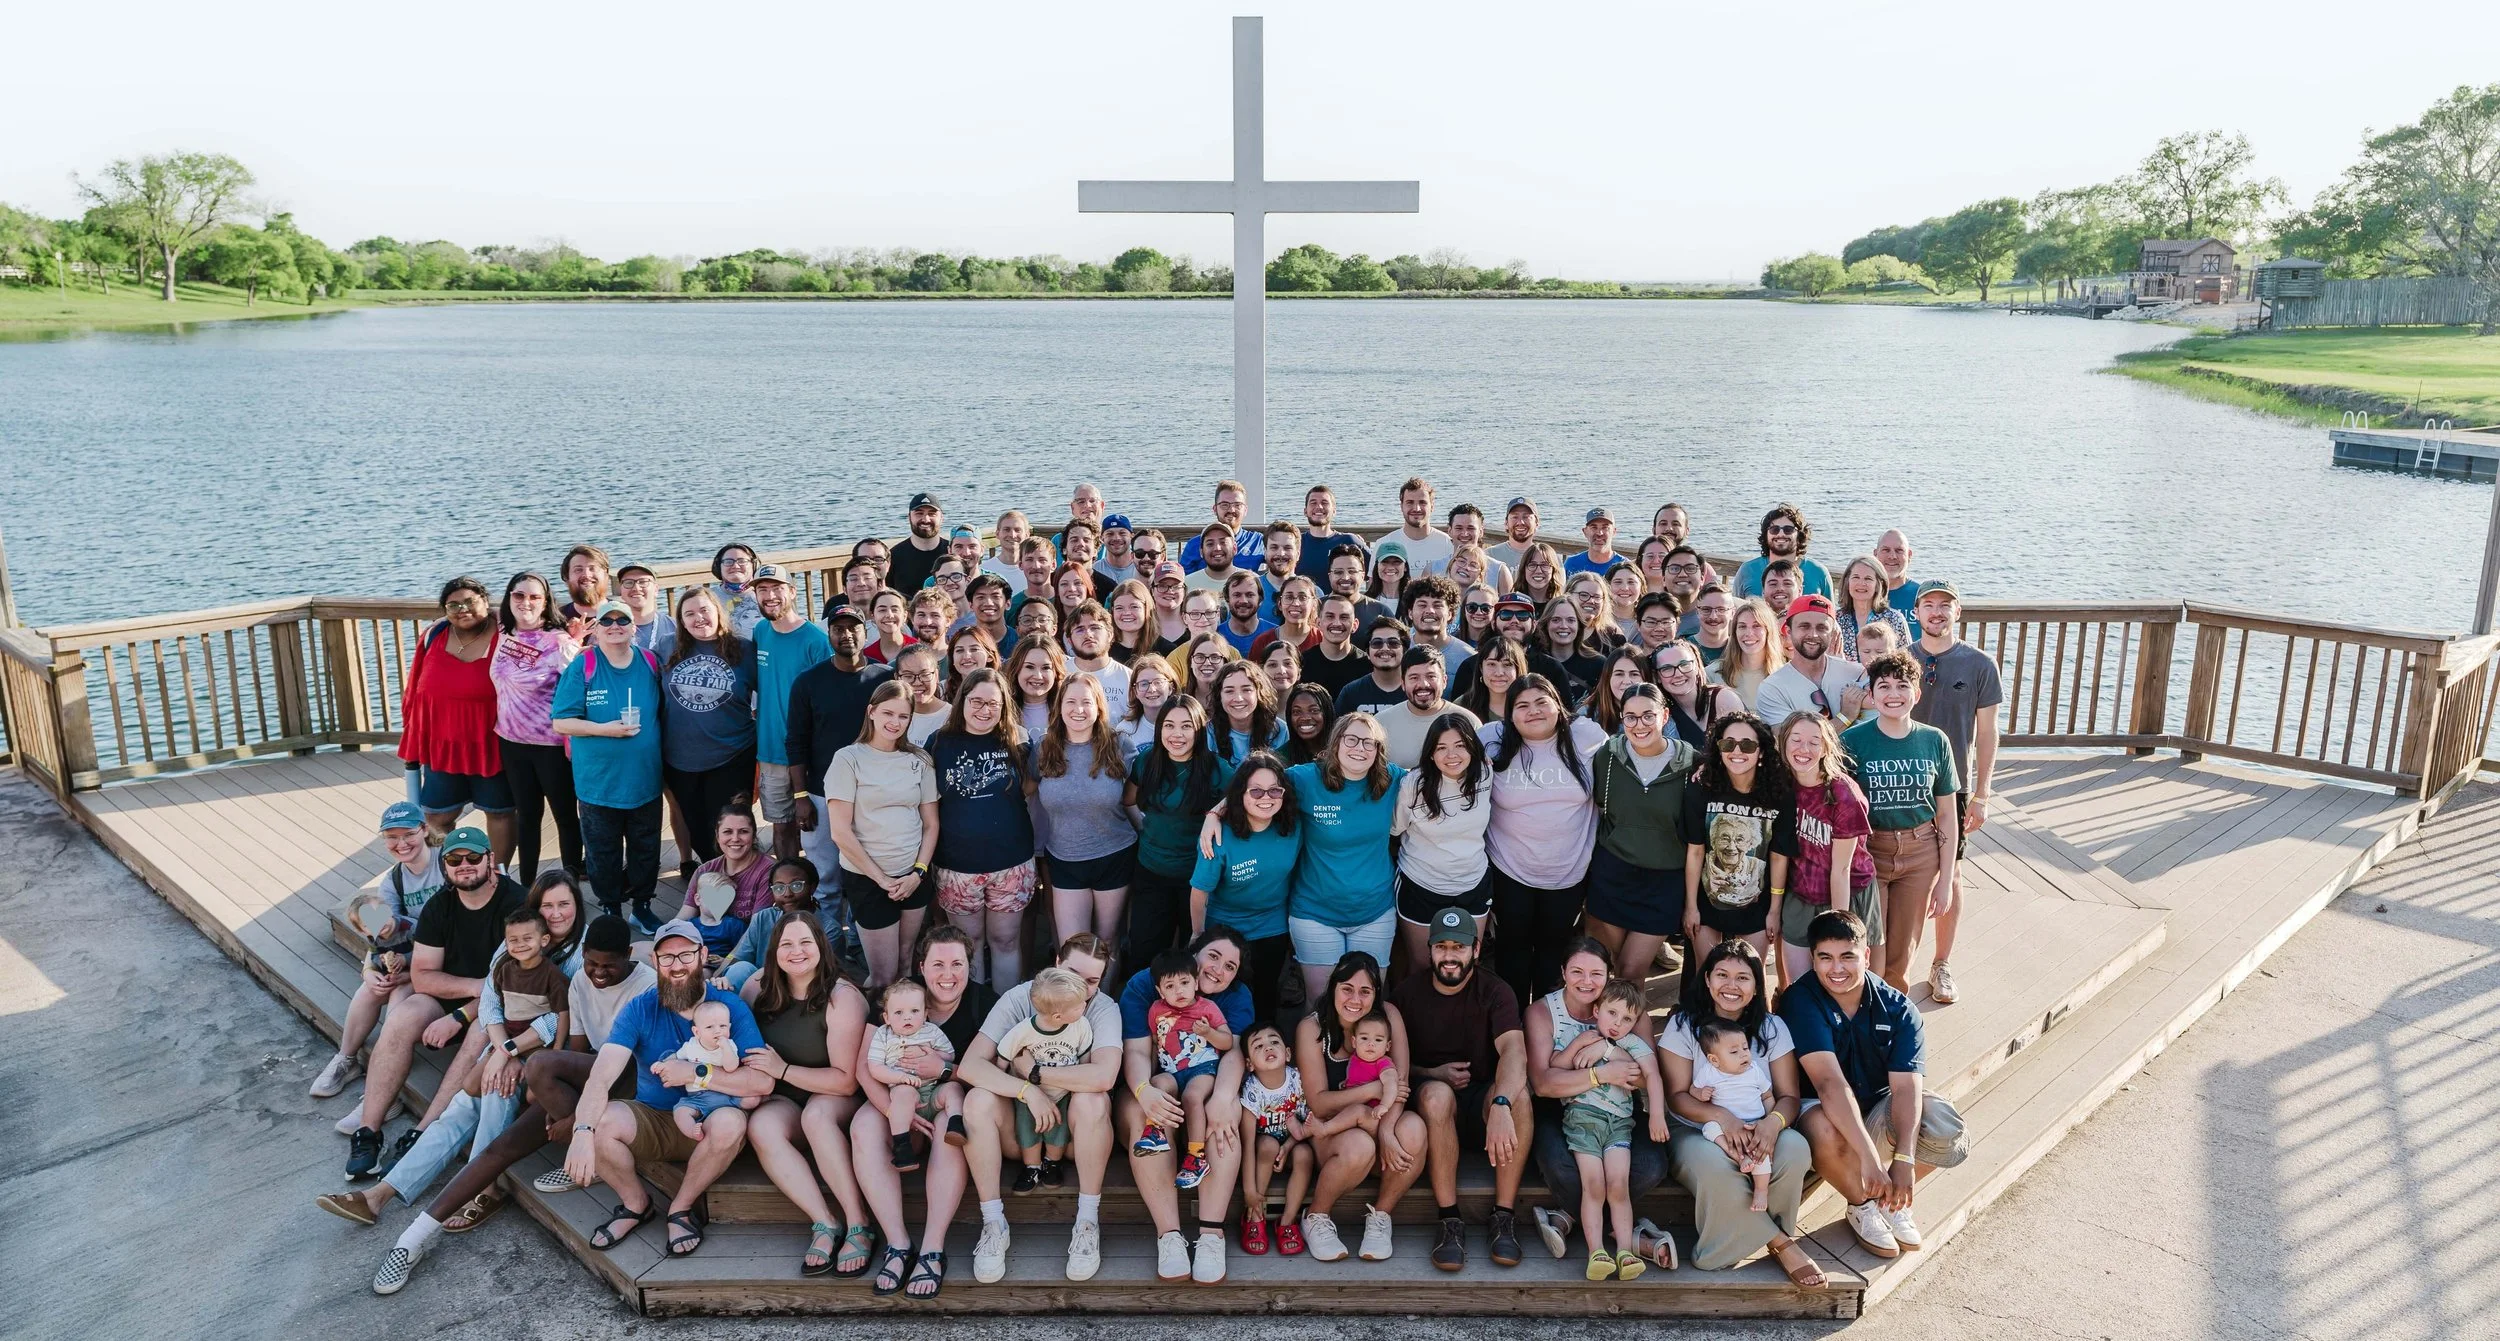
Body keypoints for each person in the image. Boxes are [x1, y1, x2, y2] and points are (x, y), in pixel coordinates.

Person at [344, 910, 652, 1295]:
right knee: (499, 1147)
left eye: (609, 965)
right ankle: (409, 1241)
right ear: (584, 955)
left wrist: (576, 1118)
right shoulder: (580, 981)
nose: (599, 972)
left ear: (628, 955)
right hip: (591, 1079)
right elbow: (576, 1051)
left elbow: (627, 1065)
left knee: (540, 1065)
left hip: (633, 1085)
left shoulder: (646, 986)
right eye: (592, 963)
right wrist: (561, 1104)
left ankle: (587, 1151)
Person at [564, 919, 774, 1260]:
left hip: (709, 1122)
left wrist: (695, 1073)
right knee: (601, 1121)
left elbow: (762, 1082)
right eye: (667, 957)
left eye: (686, 955)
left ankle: (680, 1209)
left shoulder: (728, 1008)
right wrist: (582, 1130)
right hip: (655, 1117)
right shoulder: (640, 1008)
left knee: (732, 1122)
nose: (677, 965)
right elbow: (601, 1076)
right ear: (655, 961)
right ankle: (636, 1205)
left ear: (703, 955)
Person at [1782, 910, 1969, 1260]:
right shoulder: (1800, 1000)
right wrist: (1869, 1157)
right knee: (1824, 1127)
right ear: (1813, 959)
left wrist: (1905, 1159)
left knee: (1944, 1125)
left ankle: (1889, 1200)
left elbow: (1907, 1089)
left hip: (1875, 1109)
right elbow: (1828, 1085)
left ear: (1866, 956)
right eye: (1826, 958)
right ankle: (1863, 1203)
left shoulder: (1899, 1008)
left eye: (1847, 957)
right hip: (1819, 1110)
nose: (1837, 968)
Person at [344, 826, 525, 1180]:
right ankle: (368, 1132)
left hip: (503, 1003)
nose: (464, 865)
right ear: (445, 867)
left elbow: (515, 982)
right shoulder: (439, 906)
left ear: (490, 860)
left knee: (480, 1031)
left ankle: (422, 1133)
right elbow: (424, 976)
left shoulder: (516, 905)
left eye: (473, 857)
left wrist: (459, 1015)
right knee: (401, 1017)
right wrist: (474, 988)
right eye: (454, 859)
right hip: (460, 991)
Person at [960, 935, 1127, 1284]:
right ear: (1056, 963)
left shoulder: (1102, 1008)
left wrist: (1035, 1073)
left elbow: (1104, 1075)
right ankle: (993, 1224)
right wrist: (1027, 1092)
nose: (1081, 987)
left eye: (1092, 980)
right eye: (1073, 974)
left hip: (1074, 1135)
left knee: (1094, 1099)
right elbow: (971, 1066)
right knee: (976, 1100)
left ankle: (1087, 1222)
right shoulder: (1020, 998)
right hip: (1022, 1130)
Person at [1661, 938, 1821, 1284]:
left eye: (1743, 978)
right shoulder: (1683, 1025)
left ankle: (1760, 1233)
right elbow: (1676, 1097)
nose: (1731, 986)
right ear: (1707, 979)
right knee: (1716, 1167)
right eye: (1722, 975)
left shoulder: (1773, 1028)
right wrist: (1723, 1117)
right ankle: (1780, 1242)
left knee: (1795, 1149)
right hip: (1697, 1128)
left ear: (1756, 985)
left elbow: (1788, 1096)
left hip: (1760, 1122)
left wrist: (1772, 1124)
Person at [850, 924, 994, 1299]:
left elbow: (996, 1072)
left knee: (952, 1127)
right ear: (922, 966)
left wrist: (944, 1069)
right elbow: (864, 1068)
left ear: (969, 966)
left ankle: (932, 1248)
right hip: (899, 1103)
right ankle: (898, 1244)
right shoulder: (898, 997)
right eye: (938, 964)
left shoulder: (984, 1003)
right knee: (864, 1125)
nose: (948, 974)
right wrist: (895, 1113)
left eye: (957, 964)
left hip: (948, 1102)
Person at [1391, 907, 1534, 1271]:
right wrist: (1432, 1073)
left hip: (1483, 1101)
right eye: (1441, 947)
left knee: (1518, 1096)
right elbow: (1391, 1063)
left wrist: (1500, 1102)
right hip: (1433, 1107)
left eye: (1459, 947)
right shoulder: (1407, 995)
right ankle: (1449, 1219)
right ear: (1429, 950)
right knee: (1437, 1095)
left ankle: (1504, 1215)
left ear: (1476, 949)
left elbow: (1514, 1051)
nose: (1449, 956)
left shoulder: (1496, 990)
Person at [736, 911, 876, 1277]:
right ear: (774, 950)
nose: (796, 951)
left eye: (805, 942)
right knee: (761, 1127)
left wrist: (782, 1069)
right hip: (783, 1095)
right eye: (786, 944)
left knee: (816, 1116)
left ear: (821, 947)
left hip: (837, 1096)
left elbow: (846, 1081)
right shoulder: (756, 987)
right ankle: (825, 1222)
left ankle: (858, 1223)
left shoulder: (842, 997)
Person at [1117, 929, 1254, 1281]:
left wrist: (1222, 1098)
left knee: (1225, 1113)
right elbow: (1137, 1050)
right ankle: (1170, 1236)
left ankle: (1210, 1235)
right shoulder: (1147, 984)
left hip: (1203, 1081)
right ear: (1194, 953)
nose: (1218, 970)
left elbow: (1233, 1051)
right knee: (1143, 1110)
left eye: (1230, 966)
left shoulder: (1235, 997)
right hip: (1160, 1076)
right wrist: (1144, 1090)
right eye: (1213, 956)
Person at [1523, 940, 1668, 1263]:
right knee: (1565, 1170)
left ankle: (1567, 1216)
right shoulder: (1542, 1012)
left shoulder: (1628, 1011)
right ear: (1563, 972)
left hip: (1620, 1112)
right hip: (1564, 1108)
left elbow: (1648, 1076)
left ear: (1608, 975)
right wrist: (1601, 1074)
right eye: (1577, 971)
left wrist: (1608, 1051)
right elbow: (1543, 1083)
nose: (1587, 981)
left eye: (1596, 974)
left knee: (1651, 1167)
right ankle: (1625, 1235)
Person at [1480, 675, 1608, 1004]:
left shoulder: (1587, 735)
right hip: (1509, 869)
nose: (1533, 711)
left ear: (1558, 705)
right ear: (1509, 715)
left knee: (1554, 954)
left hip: (1569, 871)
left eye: (1541, 702)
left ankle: (1545, 1022)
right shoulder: (1490, 739)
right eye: (1522, 705)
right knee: (1512, 951)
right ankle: (1512, 1022)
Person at [1291, 953, 1424, 1262]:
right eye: (1347, 989)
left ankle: (1380, 1217)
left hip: (1380, 1122)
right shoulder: (1312, 1028)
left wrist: (1387, 1132)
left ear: (1376, 993)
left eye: (1365, 991)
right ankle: (1316, 1216)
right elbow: (1319, 1102)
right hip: (1334, 1133)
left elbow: (1400, 1087)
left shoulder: (1388, 1016)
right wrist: (1371, 1090)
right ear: (1333, 987)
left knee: (1414, 1128)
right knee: (1360, 1144)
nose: (1355, 999)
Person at [1844, 650, 1963, 996]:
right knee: (1871, 946)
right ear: (1871, 694)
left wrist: (1944, 880)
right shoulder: (1853, 741)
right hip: (1871, 851)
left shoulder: (1934, 740)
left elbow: (1946, 814)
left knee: (1902, 951)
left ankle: (1892, 1012)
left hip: (1920, 851)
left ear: (1917, 693)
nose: (1893, 694)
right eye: (1884, 686)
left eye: (1902, 685)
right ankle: (1863, 1007)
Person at [1907, 581, 2001, 1007]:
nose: (1937, 612)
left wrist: (1982, 794)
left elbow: (1988, 732)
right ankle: (1892, 962)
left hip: (1953, 787)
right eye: (1928, 604)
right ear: (1916, 612)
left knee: (1952, 873)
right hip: (1902, 781)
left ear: (1957, 612)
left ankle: (1941, 964)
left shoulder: (1979, 664)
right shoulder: (1901, 659)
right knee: (1895, 871)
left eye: (1945, 605)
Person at [313, 801, 445, 1101]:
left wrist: (411, 971)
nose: (401, 843)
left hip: (447, 957)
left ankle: (384, 1087)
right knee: (371, 988)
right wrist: (369, 968)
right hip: (413, 956)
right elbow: (381, 934)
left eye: (408, 834)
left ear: (424, 830)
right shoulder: (393, 882)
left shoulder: (446, 862)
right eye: (392, 837)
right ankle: (346, 1059)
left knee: (399, 995)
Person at [551, 601, 666, 929]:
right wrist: (604, 730)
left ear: (633, 627)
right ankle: (611, 908)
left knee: (646, 848)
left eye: (622, 620)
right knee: (602, 852)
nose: (615, 626)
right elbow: (561, 722)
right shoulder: (584, 666)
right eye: (607, 621)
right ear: (597, 630)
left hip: (644, 779)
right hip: (598, 783)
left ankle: (642, 906)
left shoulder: (649, 662)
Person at [819, 681, 938, 988]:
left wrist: (918, 873)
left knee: (906, 961)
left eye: (903, 716)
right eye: (888, 713)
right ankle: (874, 1017)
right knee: (883, 975)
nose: (895, 722)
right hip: (869, 879)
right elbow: (840, 831)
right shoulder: (848, 759)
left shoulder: (920, 760)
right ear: (871, 712)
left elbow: (931, 824)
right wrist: (882, 879)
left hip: (912, 877)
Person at [1277, 715, 1405, 1001]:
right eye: (1352, 739)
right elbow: (1254, 781)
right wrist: (1215, 813)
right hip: (1315, 913)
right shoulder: (1307, 778)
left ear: (1378, 750)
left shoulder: (1391, 779)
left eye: (1369, 743)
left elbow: (1433, 780)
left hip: (1375, 912)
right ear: (1336, 743)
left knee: (1368, 1001)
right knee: (1321, 1001)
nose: (1360, 748)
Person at [925, 668, 1038, 987]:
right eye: (976, 701)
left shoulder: (1019, 739)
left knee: (1005, 941)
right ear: (962, 701)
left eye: (993, 703)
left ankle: (1003, 1010)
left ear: (1003, 706)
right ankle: (973, 1010)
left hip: (1011, 862)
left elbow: (1028, 787)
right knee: (968, 944)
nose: (984, 710)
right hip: (957, 865)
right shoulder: (939, 742)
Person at [1553, 977, 1665, 1280]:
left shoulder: (1633, 1044)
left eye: (1627, 1018)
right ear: (1596, 1010)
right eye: (1612, 1013)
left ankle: (1626, 1252)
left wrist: (1656, 1115)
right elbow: (1556, 1067)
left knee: (1618, 1185)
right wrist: (1579, 1044)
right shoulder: (1580, 1035)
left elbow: (1652, 1075)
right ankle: (1597, 1252)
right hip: (1583, 1121)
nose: (1618, 1023)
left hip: (1618, 1125)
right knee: (1594, 1185)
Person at [1585, 684, 1699, 981]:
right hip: (1612, 875)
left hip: (1663, 883)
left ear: (1665, 716)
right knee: (1606, 969)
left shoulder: (1692, 764)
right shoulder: (1607, 757)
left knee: (1631, 970)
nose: (1639, 725)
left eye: (1648, 716)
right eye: (1631, 717)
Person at [401, 578, 516, 862]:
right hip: (443, 747)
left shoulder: (508, 634)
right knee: (436, 816)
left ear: (485, 602)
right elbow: (414, 690)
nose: (462, 609)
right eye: (453, 605)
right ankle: (448, 872)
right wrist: (412, 736)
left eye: (470, 602)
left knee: (499, 813)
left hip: (492, 744)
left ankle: (498, 875)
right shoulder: (434, 635)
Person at [1126, 695, 1236, 974]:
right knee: (1144, 954)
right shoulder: (1147, 760)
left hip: (1197, 878)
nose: (1177, 734)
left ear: (1199, 730)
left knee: (1193, 956)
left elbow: (1242, 800)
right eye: (1169, 725)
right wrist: (1143, 829)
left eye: (1186, 726)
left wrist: (1215, 814)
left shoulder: (1217, 769)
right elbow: (1128, 800)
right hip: (1151, 872)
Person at [1683, 712, 1796, 976]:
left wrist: (1774, 911)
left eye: (1747, 745)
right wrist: (1690, 907)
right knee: (1706, 976)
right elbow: (1695, 851)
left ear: (1761, 751)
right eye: (1728, 744)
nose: (1736, 751)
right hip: (1707, 903)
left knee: (1751, 977)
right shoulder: (1702, 787)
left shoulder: (1779, 793)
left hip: (1756, 907)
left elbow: (1779, 856)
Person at [787, 603, 895, 880]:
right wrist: (801, 796)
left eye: (853, 628)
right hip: (822, 792)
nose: (846, 634)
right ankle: (826, 911)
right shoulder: (807, 682)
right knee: (824, 872)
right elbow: (796, 741)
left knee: (870, 866)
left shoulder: (886, 678)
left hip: (873, 789)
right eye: (838, 629)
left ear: (865, 632)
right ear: (829, 635)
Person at [1187, 756, 1299, 1022]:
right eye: (1256, 791)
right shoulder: (1218, 836)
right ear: (1241, 794)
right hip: (1226, 927)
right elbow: (1200, 891)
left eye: (1274, 790)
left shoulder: (1293, 826)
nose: (1266, 798)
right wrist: (1198, 934)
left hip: (1272, 925)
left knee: (1265, 997)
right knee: (1222, 998)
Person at [488, 572, 583, 882]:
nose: (525, 602)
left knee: (565, 816)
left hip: (550, 746)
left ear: (545, 602)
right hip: (511, 742)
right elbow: (476, 611)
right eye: (519, 595)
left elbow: (578, 691)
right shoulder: (504, 631)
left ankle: (570, 882)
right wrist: (439, 623)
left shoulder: (559, 642)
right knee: (527, 816)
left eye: (534, 597)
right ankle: (526, 886)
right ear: (509, 598)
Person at [1035, 675, 1138, 949]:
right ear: (1059, 706)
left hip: (1115, 855)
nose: (1078, 709)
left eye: (1086, 702)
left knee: (1107, 941)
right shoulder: (1044, 748)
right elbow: (1023, 792)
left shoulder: (1119, 746)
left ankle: (1108, 981)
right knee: (1073, 946)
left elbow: (1138, 796)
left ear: (1098, 707)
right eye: (1070, 701)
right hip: (1065, 859)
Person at [658, 586, 756, 865]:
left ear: (718, 611)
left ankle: (741, 879)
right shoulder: (667, 646)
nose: (698, 618)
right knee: (698, 831)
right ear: (681, 620)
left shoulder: (743, 649)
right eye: (689, 614)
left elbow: (772, 693)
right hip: (681, 758)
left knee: (732, 827)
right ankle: (714, 876)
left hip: (732, 754)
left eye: (704, 610)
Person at [1392, 716, 1494, 973]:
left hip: (1472, 882)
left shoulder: (1485, 774)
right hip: (1421, 883)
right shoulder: (1413, 785)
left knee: (1467, 963)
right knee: (1422, 965)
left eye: (1460, 745)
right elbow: (1395, 828)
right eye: (1441, 747)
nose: (1452, 755)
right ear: (1430, 753)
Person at [751, 565, 833, 862]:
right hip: (770, 750)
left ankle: (820, 884)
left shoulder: (816, 640)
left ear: (793, 591)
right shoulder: (760, 631)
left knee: (815, 826)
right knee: (781, 826)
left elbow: (826, 700)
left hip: (808, 753)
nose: (770, 595)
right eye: (762, 590)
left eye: (777, 588)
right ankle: (786, 881)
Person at [866, 978, 964, 1174]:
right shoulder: (884, 1035)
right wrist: (899, 1078)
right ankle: (903, 1147)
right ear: (886, 1017)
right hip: (904, 1092)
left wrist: (934, 1055)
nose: (907, 1018)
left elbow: (950, 1054)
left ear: (925, 1014)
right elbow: (874, 1067)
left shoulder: (931, 1031)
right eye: (899, 1013)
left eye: (914, 1011)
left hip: (933, 1090)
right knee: (904, 1094)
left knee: (954, 1088)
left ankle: (956, 1124)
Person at [1235, 1022, 1315, 1258]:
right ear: (1249, 1063)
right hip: (1263, 1151)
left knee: (1305, 1154)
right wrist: (1249, 1190)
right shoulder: (1252, 1090)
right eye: (1258, 1046)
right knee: (1268, 1144)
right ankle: (1254, 1214)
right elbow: (1247, 1142)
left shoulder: (1297, 1079)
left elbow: (1310, 1121)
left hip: (1293, 1142)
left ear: (1287, 1053)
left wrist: (1289, 1146)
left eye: (1274, 1041)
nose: (1268, 1047)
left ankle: (1287, 1222)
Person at [1754, 595, 1866, 729]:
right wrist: (1845, 717)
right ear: (1789, 631)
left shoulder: (1857, 673)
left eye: (1822, 628)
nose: (1813, 634)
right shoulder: (1773, 688)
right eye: (1804, 626)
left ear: (1832, 634)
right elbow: (1788, 739)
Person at [1449, 592, 1578, 704]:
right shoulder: (1471, 667)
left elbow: (1565, 717)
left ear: (1534, 625)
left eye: (1523, 615)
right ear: (1493, 623)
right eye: (1506, 615)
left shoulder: (1552, 669)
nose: (1514, 620)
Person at [718, 857, 821, 990]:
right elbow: (740, 957)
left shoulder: (829, 929)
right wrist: (718, 978)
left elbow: (825, 975)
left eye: (796, 886)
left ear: (812, 887)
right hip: (759, 986)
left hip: (803, 989)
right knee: (740, 968)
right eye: (779, 888)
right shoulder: (763, 918)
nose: (787, 893)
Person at [1377, 647, 1478, 770]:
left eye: (1431, 676)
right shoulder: (1381, 723)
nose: (1423, 684)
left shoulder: (1468, 721)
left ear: (1444, 681)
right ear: (1403, 683)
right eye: (1414, 678)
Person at [1654, 637, 1743, 752]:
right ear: (1657, 677)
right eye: (1667, 668)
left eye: (1684, 664)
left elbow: (1742, 748)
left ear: (1696, 666)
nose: (1678, 674)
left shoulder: (1723, 700)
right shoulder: (1663, 713)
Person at [1736, 504, 1832, 601]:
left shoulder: (1818, 572)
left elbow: (1830, 609)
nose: (1781, 534)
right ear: (1766, 534)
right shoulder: (1747, 570)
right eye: (1774, 529)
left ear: (1799, 535)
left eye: (1788, 530)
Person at [1062, 599, 1132, 724]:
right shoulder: (1059, 674)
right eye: (1080, 629)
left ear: (1110, 634)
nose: (1088, 634)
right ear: (1069, 640)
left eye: (1095, 627)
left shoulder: (1129, 678)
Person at [1204, 659, 1285, 764]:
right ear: (1219, 696)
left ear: (1259, 692)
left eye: (1246, 690)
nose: (1238, 698)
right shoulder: (1208, 732)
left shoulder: (1278, 729)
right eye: (1229, 691)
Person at [1836, 556, 1913, 662]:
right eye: (1856, 577)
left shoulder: (1894, 619)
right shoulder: (1836, 619)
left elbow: (1906, 661)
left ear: (1878, 584)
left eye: (1868, 579)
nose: (1861, 583)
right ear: (1847, 582)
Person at [1715, 596, 1786, 710]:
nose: (1749, 633)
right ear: (1735, 632)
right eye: (1742, 626)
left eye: (1756, 626)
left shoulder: (1785, 676)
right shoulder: (1713, 674)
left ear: (1768, 631)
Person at [1180, 478, 1266, 572]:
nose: (1231, 510)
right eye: (1225, 505)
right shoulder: (1195, 544)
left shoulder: (1258, 541)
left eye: (1237, 505)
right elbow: (1184, 578)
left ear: (1245, 510)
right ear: (1215, 509)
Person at [1336, 617, 1412, 715]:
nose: (1385, 648)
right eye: (1377, 643)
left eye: (1393, 643)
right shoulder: (1351, 693)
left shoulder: (1416, 689)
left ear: (1405, 651)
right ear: (1368, 653)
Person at [1300, 593, 1370, 699]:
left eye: (1344, 617)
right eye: (1330, 616)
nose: (1337, 623)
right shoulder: (1303, 663)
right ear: (1318, 623)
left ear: (1355, 625)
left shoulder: (1367, 665)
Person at [1401, 574, 1471, 678]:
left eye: (1437, 605)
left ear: (1450, 613)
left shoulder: (1468, 657)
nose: (1430, 611)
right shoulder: (1398, 652)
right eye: (1422, 605)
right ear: (1410, 613)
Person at [1297, 483, 1369, 583]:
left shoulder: (1349, 541)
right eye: (1313, 503)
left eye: (1324, 503)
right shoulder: (1295, 543)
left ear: (1334, 511)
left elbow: (1376, 571)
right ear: (1305, 511)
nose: (1319, 506)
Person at [1539, 597, 1605, 702]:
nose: (1564, 626)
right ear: (1546, 624)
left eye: (1571, 620)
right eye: (1556, 620)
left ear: (1579, 625)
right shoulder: (1535, 664)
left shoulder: (1599, 664)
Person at [884, 491, 948, 595]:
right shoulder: (893, 557)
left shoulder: (952, 552)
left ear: (941, 518)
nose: (926, 519)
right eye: (919, 513)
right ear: (909, 517)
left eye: (932, 514)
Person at [1580, 645, 1653, 735]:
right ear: (1608, 678)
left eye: (1634, 674)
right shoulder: (1587, 715)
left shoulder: (1658, 714)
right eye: (1619, 674)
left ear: (1646, 679)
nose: (1626, 681)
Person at [1388, 477, 1455, 572]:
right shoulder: (1386, 543)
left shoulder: (1448, 544)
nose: (1416, 509)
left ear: (1432, 506)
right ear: (1401, 506)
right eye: (1410, 502)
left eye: (1422, 502)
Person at [1117, 655, 1178, 758]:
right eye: (1144, 684)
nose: (1152, 689)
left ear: (1171, 688)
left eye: (1158, 682)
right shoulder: (1125, 730)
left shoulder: (1185, 726)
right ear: (1135, 691)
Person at [1456, 638, 1526, 725]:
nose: (1499, 673)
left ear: (1518, 669)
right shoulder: (1462, 705)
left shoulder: (1531, 704)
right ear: (1481, 668)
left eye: (1507, 664)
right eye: (1492, 664)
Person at [891, 644, 951, 746]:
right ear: (897, 678)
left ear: (936, 675)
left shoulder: (952, 716)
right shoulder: (889, 716)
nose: (917, 682)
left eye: (925, 675)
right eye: (908, 676)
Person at [1248, 574, 1319, 660]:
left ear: (1314, 604)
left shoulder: (1322, 639)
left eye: (1302, 597)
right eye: (1289, 597)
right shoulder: (1263, 642)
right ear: (1280, 604)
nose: (1296, 603)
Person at [613, 564, 676, 659]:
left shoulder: (675, 627)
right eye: (628, 583)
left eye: (643, 582)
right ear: (621, 590)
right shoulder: (609, 630)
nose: (636, 588)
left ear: (656, 589)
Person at [1328, 547, 1394, 632]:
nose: (1346, 577)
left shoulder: (1380, 611)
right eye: (1338, 572)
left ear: (1362, 576)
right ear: (1330, 576)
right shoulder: (1315, 608)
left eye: (1352, 571)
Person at [710, 543, 765, 640]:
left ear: (754, 565)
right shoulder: (708, 597)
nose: (735, 566)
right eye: (728, 562)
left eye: (742, 561)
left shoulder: (767, 594)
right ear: (719, 567)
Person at [556, 543, 614, 631]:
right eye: (578, 570)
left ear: (606, 575)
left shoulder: (626, 613)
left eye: (592, 568)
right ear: (567, 578)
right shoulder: (556, 620)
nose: (586, 575)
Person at [1218, 569, 1276, 655]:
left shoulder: (1276, 634)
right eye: (1237, 595)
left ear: (1260, 599)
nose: (1243, 601)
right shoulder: (1216, 635)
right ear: (1227, 598)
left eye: (1250, 595)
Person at [1279, 682, 1337, 766]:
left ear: (1327, 713)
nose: (1305, 718)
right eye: (1297, 712)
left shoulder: (1344, 750)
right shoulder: (1280, 758)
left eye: (1314, 710)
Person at [963, 573, 1015, 654]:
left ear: (1008, 603)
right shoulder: (962, 644)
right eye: (980, 597)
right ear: (971, 605)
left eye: (996, 597)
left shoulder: (1020, 642)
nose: (988, 603)